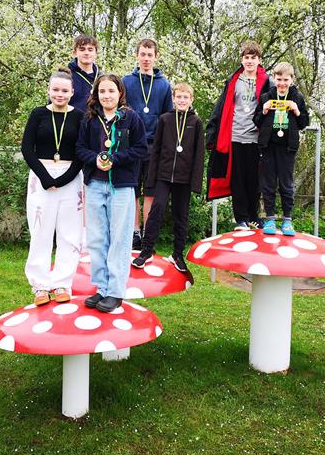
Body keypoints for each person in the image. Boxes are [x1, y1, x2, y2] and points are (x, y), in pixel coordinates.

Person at [76, 74, 148, 312]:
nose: (107, 96)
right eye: (102, 91)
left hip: (122, 186)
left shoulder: (131, 118)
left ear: (120, 94)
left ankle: (116, 291)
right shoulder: (89, 119)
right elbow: (80, 149)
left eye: (111, 91)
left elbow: (141, 148)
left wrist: (115, 159)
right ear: (96, 95)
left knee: (119, 238)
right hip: (95, 185)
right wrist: (95, 159)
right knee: (96, 239)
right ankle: (101, 288)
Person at [20, 71, 85, 305]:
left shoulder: (79, 116)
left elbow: (81, 150)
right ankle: (40, 286)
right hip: (41, 176)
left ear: (72, 93)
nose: (60, 94)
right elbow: (27, 149)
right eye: (55, 90)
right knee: (41, 231)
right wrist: (46, 177)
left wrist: (66, 177)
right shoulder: (38, 114)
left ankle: (62, 284)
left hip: (71, 178)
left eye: (64, 90)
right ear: (49, 90)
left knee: (69, 233)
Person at [132, 83, 205, 274]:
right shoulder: (165, 119)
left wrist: (196, 183)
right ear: (173, 98)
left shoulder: (196, 122)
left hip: (184, 178)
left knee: (181, 216)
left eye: (185, 97)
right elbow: (155, 150)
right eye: (179, 97)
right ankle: (146, 251)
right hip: (163, 176)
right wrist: (151, 178)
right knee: (157, 210)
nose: (182, 100)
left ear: (191, 100)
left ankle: (178, 254)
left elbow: (199, 155)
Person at [206, 41, 272, 230]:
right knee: (237, 180)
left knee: (254, 180)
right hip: (234, 136)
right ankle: (241, 218)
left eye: (253, 58)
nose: (250, 61)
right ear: (242, 59)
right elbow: (221, 107)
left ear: (259, 60)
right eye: (246, 58)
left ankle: (253, 216)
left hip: (255, 137)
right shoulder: (233, 81)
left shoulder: (267, 81)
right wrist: (212, 134)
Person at [122, 38, 173, 249]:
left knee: (150, 191)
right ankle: (134, 232)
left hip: (153, 145)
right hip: (131, 145)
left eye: (149, 55)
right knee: (132, 190)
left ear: (156, 57)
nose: (145, 59)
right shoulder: (126, 81)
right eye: (142, 54)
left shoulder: (164, 84)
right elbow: (121, 110)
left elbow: (168, 116)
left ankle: (147, 233)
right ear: (137, 55)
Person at [253, 62, 310, 236]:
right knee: (268, 184)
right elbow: (256, 121)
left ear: (292, 80)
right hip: (268, 147)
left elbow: (304, 123)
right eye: (279, 79)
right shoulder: (266, 97)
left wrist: (297, 111)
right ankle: (269, 219)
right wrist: (263, 111)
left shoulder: (297, 98)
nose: (282, 83)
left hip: (287, 148)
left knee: (286, 184)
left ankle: (287, 220)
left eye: (286, 79)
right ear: (273, 78)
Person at [67, 34, 101, 112]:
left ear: (96, 53)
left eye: (90, 49)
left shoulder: (102, 78)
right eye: (82, 49)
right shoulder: (66, 76)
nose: (86, 53)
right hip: (73, 122)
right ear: (75, 53)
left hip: (95, 123)